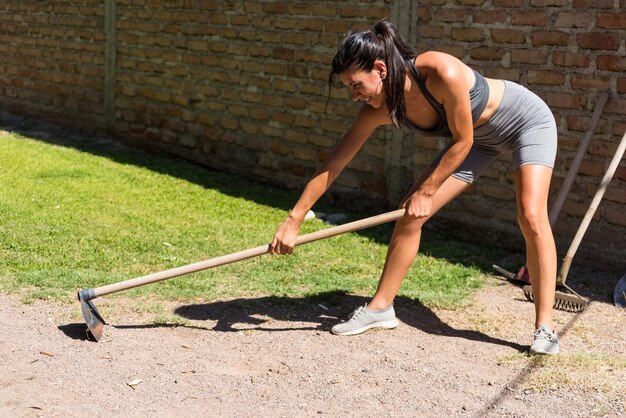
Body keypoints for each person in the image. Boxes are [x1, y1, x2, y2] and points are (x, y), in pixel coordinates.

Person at [269, 19, 560, 355]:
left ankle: (545, 328)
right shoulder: (377, 110)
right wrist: (294, 218)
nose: (354, 96)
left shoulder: (440, 71)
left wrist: (427, 190)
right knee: (409, 215)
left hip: (525, 123)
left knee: (531, 215)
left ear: (380, 69)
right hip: (478, 141)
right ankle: (380, 309)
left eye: (356, 85)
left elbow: (461, 141)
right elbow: (333, 166)